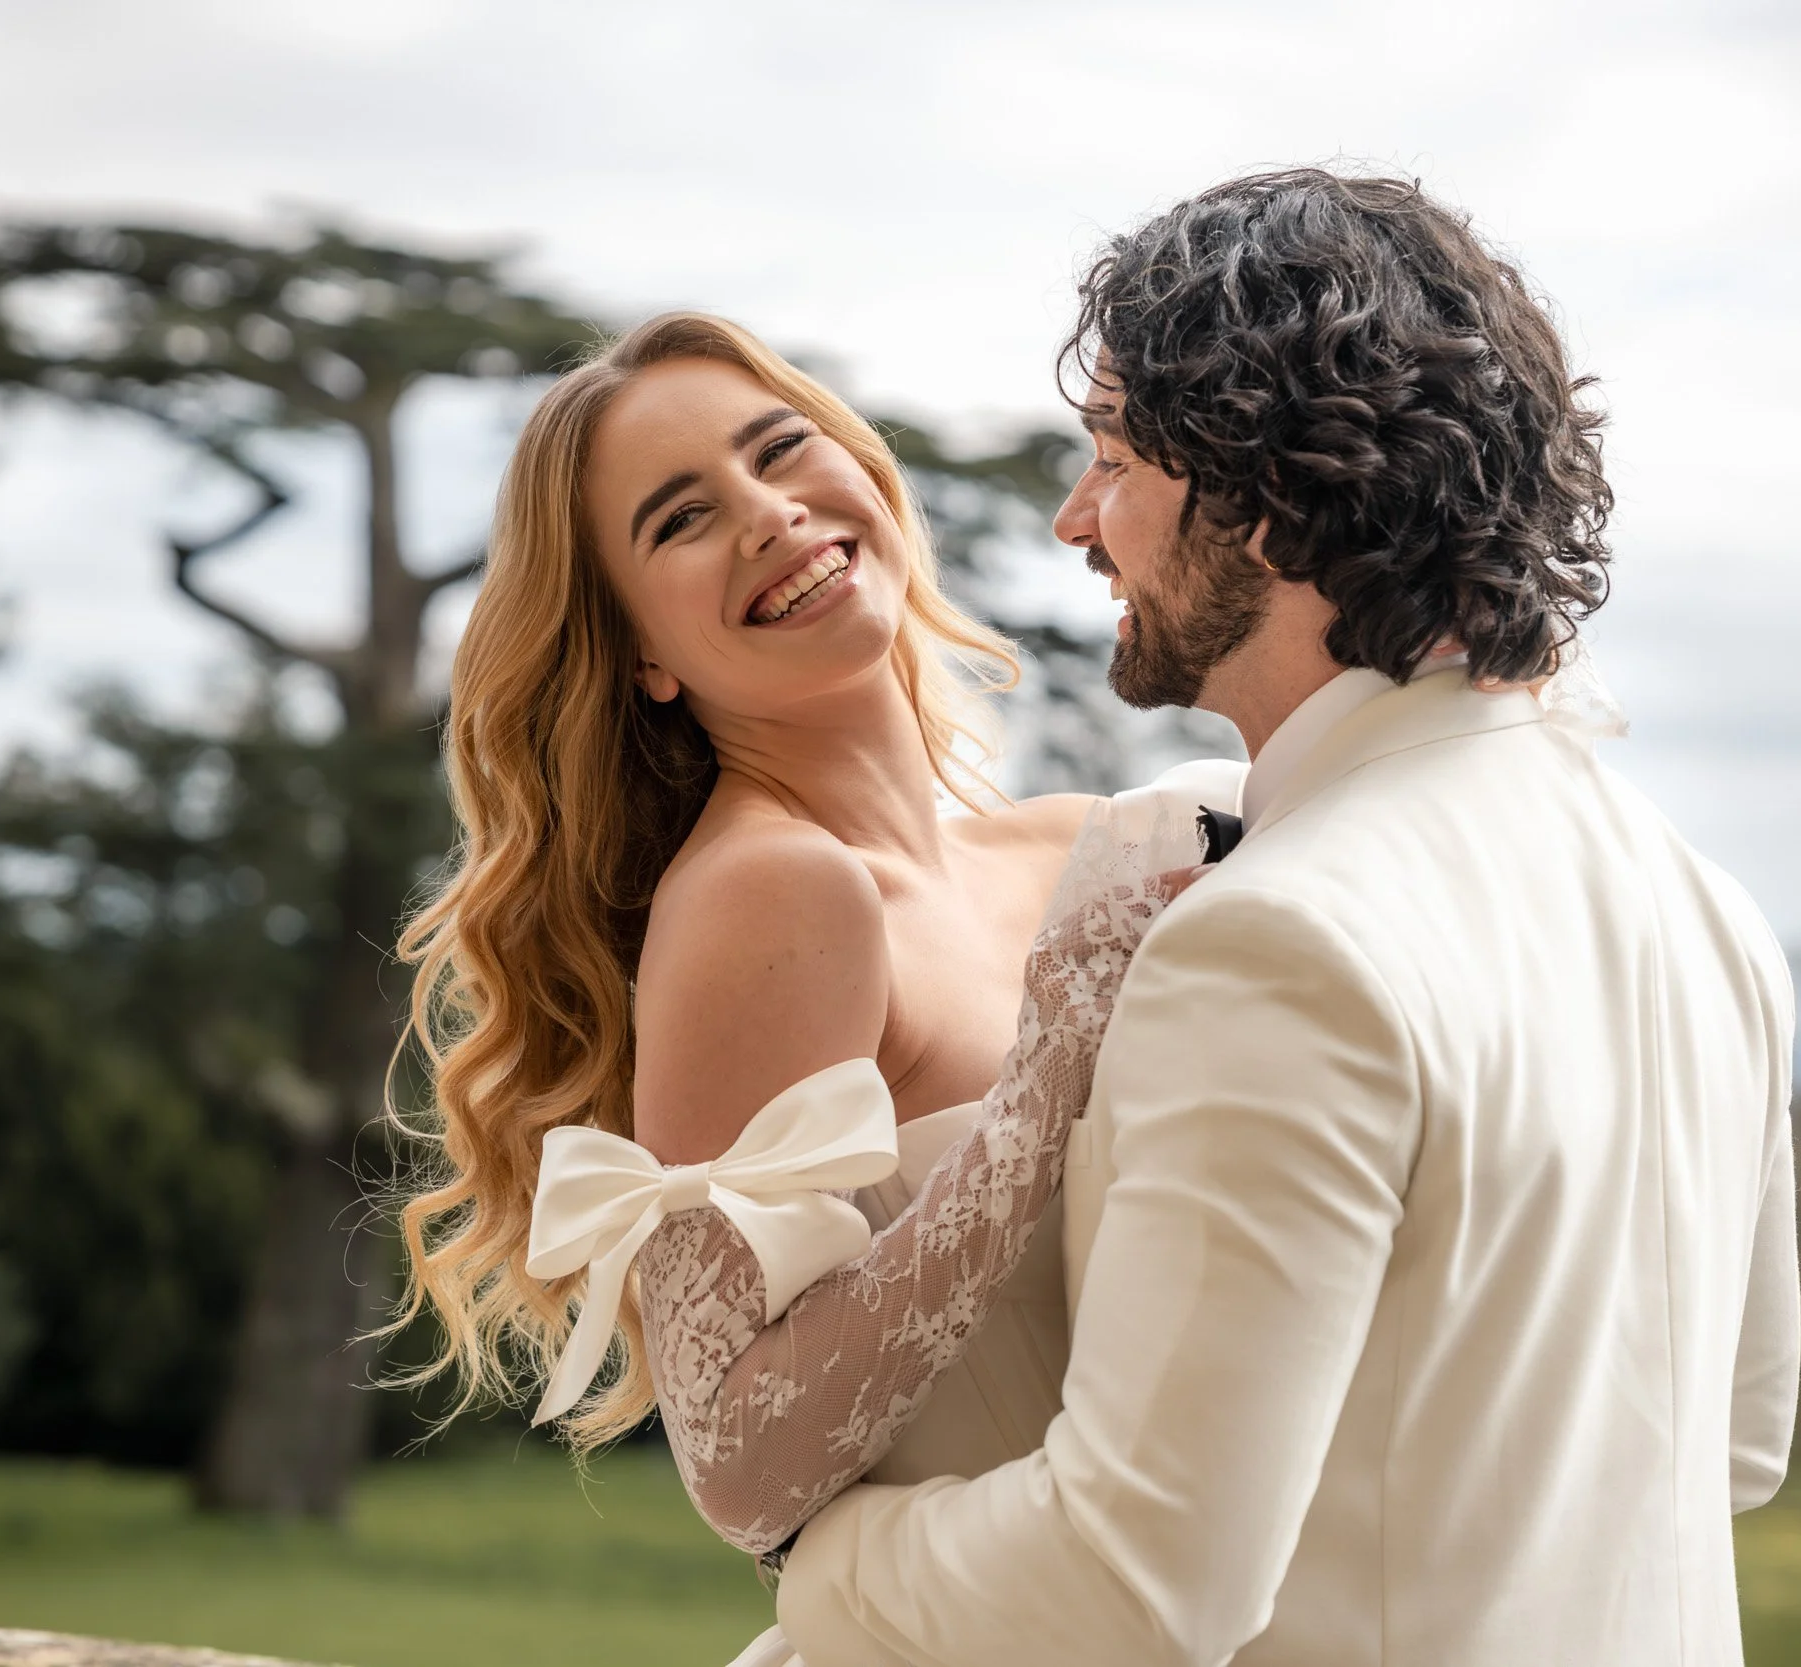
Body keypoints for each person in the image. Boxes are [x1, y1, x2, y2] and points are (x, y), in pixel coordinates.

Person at [773, 169, 1801, 1667]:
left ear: (1258, 498)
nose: (1078, 519)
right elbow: (1732, 1447)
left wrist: (826, 1551)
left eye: (1114, 458)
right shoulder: (1712, 913)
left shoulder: (1280, 941)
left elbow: (1131, 1581)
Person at [391, 310, 1243, 1589]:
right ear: (641, 653)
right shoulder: (776, 892)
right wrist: (1044, 1087)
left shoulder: (1075, 847)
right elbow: (740, 1464)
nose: (766, 512)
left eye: (780, 449)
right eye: (679, 519)